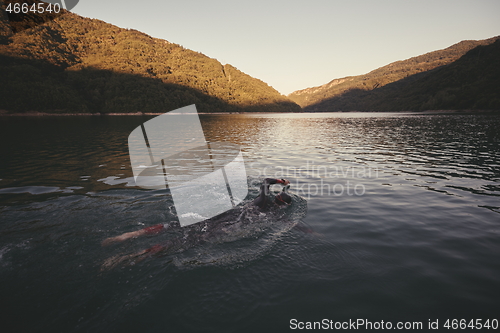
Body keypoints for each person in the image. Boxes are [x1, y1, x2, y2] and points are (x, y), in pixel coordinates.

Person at [101, 178, 292, 268]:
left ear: (276, 196)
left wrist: (280, 180)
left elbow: (265, 182)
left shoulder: (261, 201)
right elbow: (291, 223)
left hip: (225, 215)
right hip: (230, 227)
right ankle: (137, 255)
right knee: (190, 240)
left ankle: (127, 236)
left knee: (177, 225)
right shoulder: (275, 215)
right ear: (283, 205)